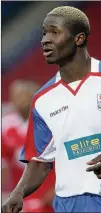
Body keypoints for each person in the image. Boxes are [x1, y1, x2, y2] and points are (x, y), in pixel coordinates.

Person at [2, 6, 101, 213]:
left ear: (79, 38)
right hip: (67, 205)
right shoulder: (43, 99)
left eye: (54, 32)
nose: (45, 40)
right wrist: (18, 192)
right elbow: (40, 161)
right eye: (44, 33)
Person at [2, 80, 55, 212]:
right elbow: (4, 162)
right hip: (22, 195)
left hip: (50, 193)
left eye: (23, 96)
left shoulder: (49, 123)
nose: (19, 101)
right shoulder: (6, 126)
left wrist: (56, 188)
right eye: (15, 96)